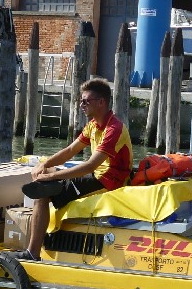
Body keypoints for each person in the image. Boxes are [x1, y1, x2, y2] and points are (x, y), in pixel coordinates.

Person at [11, 78, 133, 261]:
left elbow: (90, 165)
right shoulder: (93, 125)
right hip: (97, 176)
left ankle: (32, 253)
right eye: (80, 100)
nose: (81, 105)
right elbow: (69, 151)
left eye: (86, 101)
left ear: (101, 102)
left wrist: (52, 177)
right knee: (46, 174)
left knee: (42, 192)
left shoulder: (114, 129)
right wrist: (45, 165)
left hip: (108, 182)